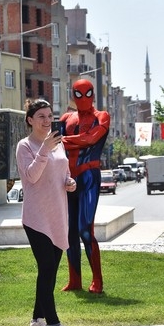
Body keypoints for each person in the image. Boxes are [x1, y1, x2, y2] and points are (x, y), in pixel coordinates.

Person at [16, 98, 78, 326]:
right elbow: (31, 176)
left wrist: (69, 181)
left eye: (49, 115)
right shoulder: (25, 146)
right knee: (47, 267)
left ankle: (35, 321)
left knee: (49, 271)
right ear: (30, 120)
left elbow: (63, 171)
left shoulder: (57, 143)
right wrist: (44, 150)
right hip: (36, 217)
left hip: (58, 214)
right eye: (41, 116)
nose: (46, 120)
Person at [59, 79, 110, 294]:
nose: (83, 99)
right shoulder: (66, 118)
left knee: (84, 230)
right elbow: (57, 143)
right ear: (72, 96)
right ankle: (75, 280)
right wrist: (72, 140)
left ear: (93, 95)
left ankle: (97, 279)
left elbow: (91, 139)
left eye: (87, 93)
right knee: (69, 231)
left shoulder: (102, 116)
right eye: (78, 94)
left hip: (89, 175)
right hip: (69, 177)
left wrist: (68, 140)